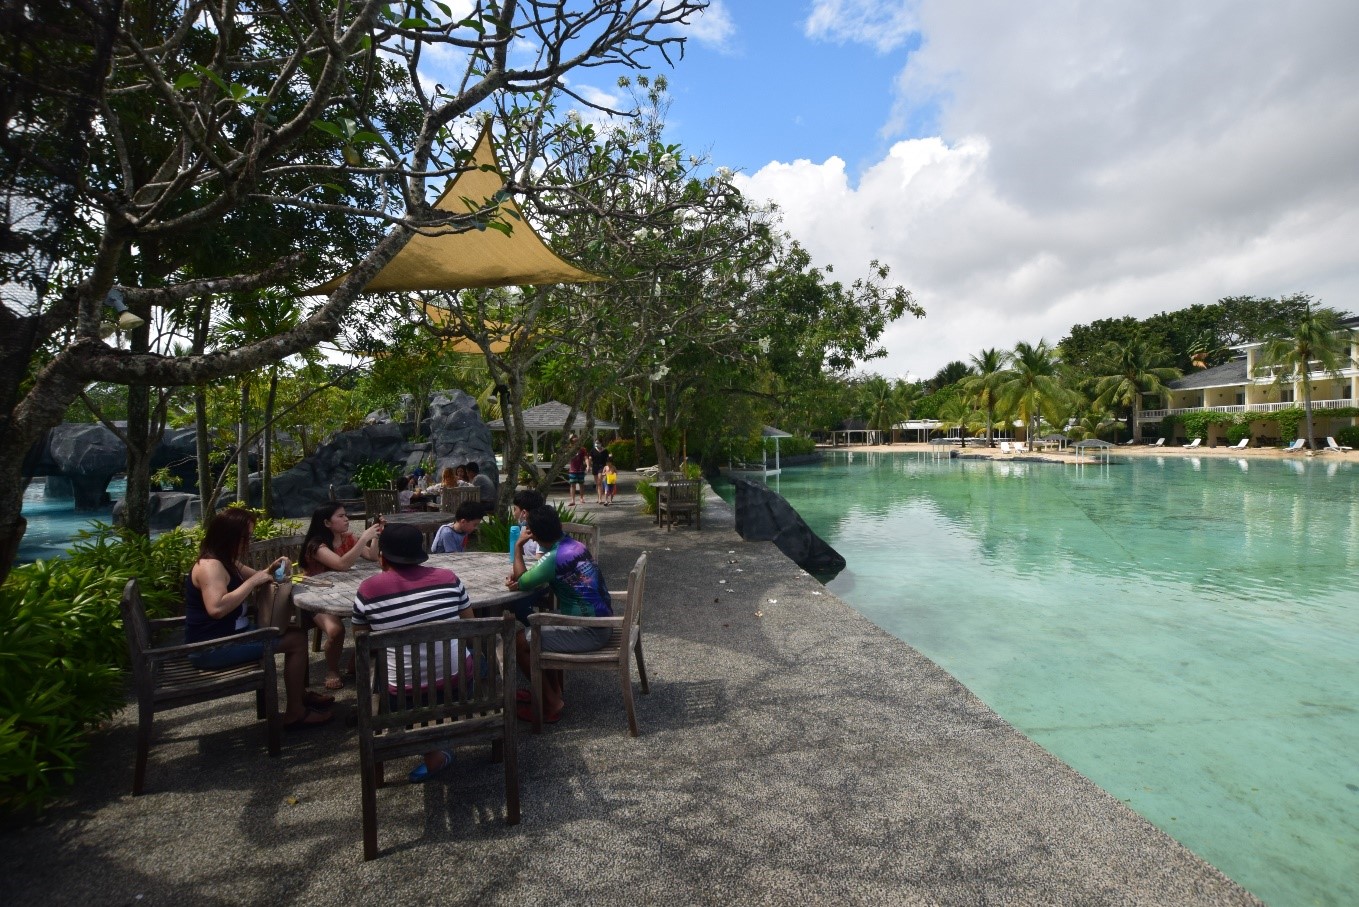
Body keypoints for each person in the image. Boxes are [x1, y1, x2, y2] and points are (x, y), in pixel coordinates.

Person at [184, 507, 333, 728]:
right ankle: (295, 712)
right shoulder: (211, 567)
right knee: (297, 641)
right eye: (246, 538)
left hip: (231, 635)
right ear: (230, 537)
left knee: (297, 632)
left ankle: (299, 696)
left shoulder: (227, 560)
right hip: (213, 647)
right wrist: (252, 583)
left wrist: (273, 570)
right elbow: (216, 608)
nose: (248, 543)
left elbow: (261, 577)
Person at [352, 522, 473, 782]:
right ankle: (440, 740)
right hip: (462, 686)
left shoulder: (367, 590)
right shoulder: (449, 579)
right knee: (471, 657)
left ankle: (433, 753)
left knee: (388, 668)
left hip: (404, 699)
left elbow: (363, 643)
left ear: (383, 558)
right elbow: (470, 625)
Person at [506, 505, 612, 723]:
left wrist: (518, 547)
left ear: (533, 535)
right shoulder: (575, 545)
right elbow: (534, 576)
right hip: (601, 623)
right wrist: (526, 577)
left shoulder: (553, 557)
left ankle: (551, 704)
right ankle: (551, 693)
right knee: (538, 629)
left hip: (589, 631)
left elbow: (524, 582)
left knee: (520, 641)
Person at [299, 503, 382, 690]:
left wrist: (376, 535)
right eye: (341, 516)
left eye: (346, 515)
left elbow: (372, 556)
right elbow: (341, 564)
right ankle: (332, 670)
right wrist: (364, 538)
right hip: (316, 598)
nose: (346, 519)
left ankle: (355, 661)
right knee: (336, 631)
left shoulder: (347, 538)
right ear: (327, 522)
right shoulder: (317, 546)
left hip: (342, 593)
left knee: (375, 617)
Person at [566, 436, 588, 506]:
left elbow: (586, 458)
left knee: (581, 484)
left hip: (580, 469)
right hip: (572, 469)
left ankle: (581, 498)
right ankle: (572, 500)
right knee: (572, 485)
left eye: (577, 441)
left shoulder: (582, 449)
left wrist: (588, 465)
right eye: (573, 441)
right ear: (571, 442)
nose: (575, 443)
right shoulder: (569, 449)